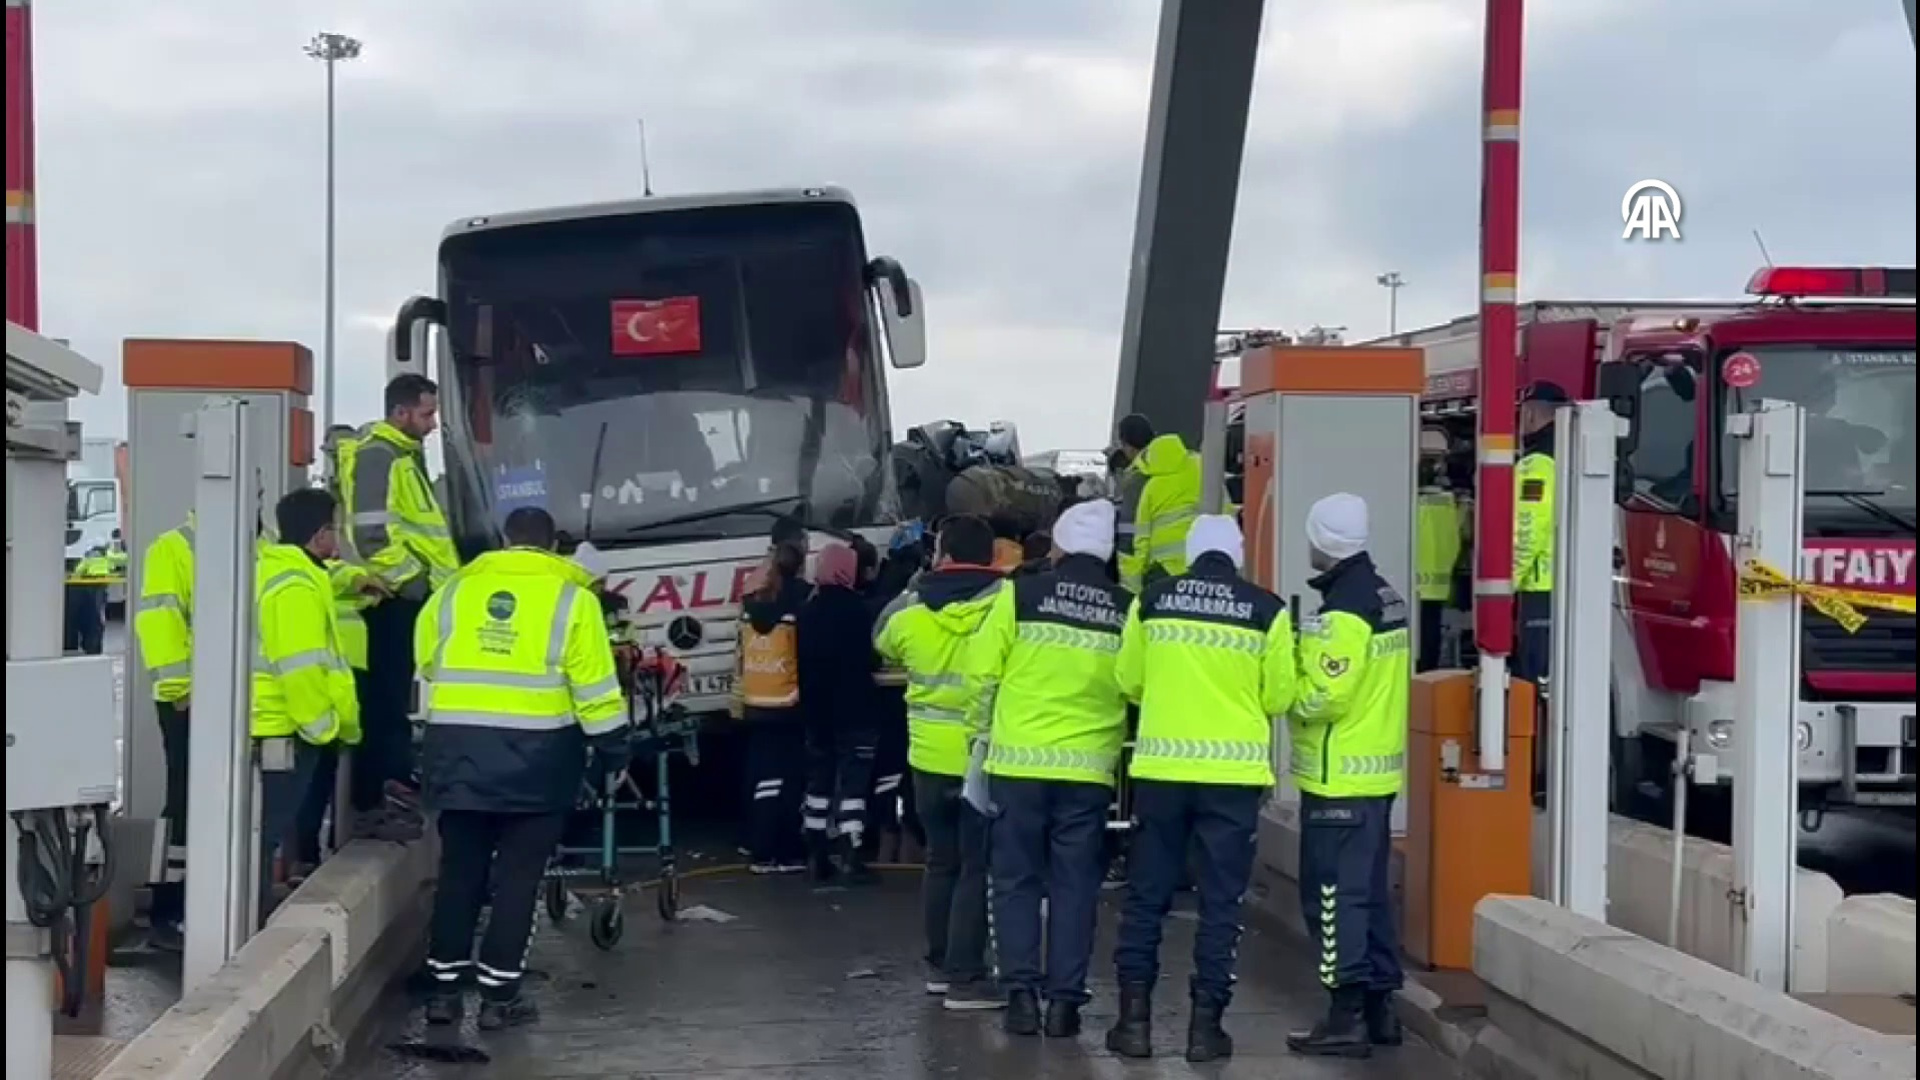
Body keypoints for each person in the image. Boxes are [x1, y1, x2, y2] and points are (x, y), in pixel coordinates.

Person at [416, 507, 629, 1030]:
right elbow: (596, 692)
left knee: (459, 874)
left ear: (504, 541)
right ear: (553, 545)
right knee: (518, 879)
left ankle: (443, 994)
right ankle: (498, 998)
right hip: (539, 764)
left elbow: (425, 662)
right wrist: (614, 754)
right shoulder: (573, 601)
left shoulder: (452, 593)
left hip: (458, 753)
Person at [1106, 514, 1296, 1063]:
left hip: (1162, 774)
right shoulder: (1267, 609)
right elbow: (1280, 696)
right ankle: (1204, 1030)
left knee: (1146, 898)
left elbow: (1128, 680)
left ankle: (1133, 1024)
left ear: (1192, 554)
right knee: (1221, 903)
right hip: (1232, 781)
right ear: (1235, 555)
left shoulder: (1153, 600)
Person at [977, 499, 1132, 1038]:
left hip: (1018, 766)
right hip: (1088, 772)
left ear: (1060, 547)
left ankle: (1020, 997)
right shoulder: (1125, 607)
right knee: (1075, 887)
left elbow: (981, 670)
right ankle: (1065, 1004)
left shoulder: (1018, 595)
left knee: (1015, 881)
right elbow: (1134, 683)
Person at [1285, 493, 1412, 1058]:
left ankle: (1345, 1014)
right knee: (1368, 898)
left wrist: (1287, 685)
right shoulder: (1384, 595)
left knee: (1333, 900)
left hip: (1338, 775)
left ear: (1324, 541)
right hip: (1375, 773)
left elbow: (1324, 697)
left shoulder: (1343, 612)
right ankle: (1381, 1008)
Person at [874, 514, 1007, 1011]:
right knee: (978, 865)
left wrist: (917, 581)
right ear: (993, 557)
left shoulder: (908, 610)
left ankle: (938, 965)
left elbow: (881, 639)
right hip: (982, 755)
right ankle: (966, 976)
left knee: (941, 861)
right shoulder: (1006, 604)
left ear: (941, 554)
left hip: (927, 757)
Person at [340, 374, 459, 840]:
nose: (432, 424)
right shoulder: (380, 456)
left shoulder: (401, 456)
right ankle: (376, 802)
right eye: (426, 414)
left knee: (390, 702)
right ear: (401, 412)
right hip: (394, 599)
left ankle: (385, 794)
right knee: (384, 704)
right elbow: (373, 534)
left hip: (407, 597)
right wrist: (414, 580)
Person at [253, 489, 360, 924]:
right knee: (266, 830)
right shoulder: (295, 588)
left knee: (262, 828)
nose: (338, 537)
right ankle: (252, 916)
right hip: (286, 725)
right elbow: (300, 669)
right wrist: (322, 726)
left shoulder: (288, 575)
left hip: (276, 721)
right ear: (320, 535)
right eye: (335, 528)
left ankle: (251, 908)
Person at [797, 541, 881, 883]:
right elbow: (870, 658)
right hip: (855, 711)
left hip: (816, 712)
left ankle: (816, 851)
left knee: (819, 781)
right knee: (853, 783)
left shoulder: (807, 612)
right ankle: (851, 850)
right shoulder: (859, 611)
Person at [133, 515, 195, 950]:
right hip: (188, 697)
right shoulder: (172, 548)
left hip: (232, 698)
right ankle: (167, 908)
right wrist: (180, 688)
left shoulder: (254, 542)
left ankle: (184, 906)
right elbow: (159, 620)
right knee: (185, 801)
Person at [736, 536, 812, 873]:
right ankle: (783, 851)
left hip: (756, 703)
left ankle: (757, 846)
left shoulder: (752, 605)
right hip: (789, 704)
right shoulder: (802, 603)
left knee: (762, 780)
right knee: (789, 781)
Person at [864, 527, 927, 864]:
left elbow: (877, 647)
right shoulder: (925, 606)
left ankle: (888, 840)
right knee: (910, 775)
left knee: (888, 771)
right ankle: (908, 842)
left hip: (888, 700)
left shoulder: (891, 605)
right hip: (915, 700)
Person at [1513, 380, 1565, 685]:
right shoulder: (1566, 453)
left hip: (1538, 588)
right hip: (1568, 585)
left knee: (1535, 675)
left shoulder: (1536, 465)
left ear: (1531, 415)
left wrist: (1505, 583)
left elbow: (1528, 528)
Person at [1116, 429, 1203, 594]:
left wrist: (1132, 592)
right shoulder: (1203, 468)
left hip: (1163, 574)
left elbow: (1135, 542)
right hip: (1204, 568)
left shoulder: (1143, 484)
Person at [1415, 428, 1466, 672]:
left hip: (1414, 586)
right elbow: (1459, 540)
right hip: (1437, 588)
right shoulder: (1450, 501)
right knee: (1429, 655)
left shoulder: (1411, 498)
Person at [1109, 413, 1155, 575]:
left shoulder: (1135, 481)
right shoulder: (1179, 465)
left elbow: (1128, 535)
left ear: (1127, 446)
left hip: (1148, 566)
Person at [64, 547, 113, 655]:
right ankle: (93, 649)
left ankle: (71, 648)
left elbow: (78, 571)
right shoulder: (105, 560)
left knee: (71, 625)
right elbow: (111, 568)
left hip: (85, 586)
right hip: (99, 586)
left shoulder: (86, 561)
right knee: (96, 618)